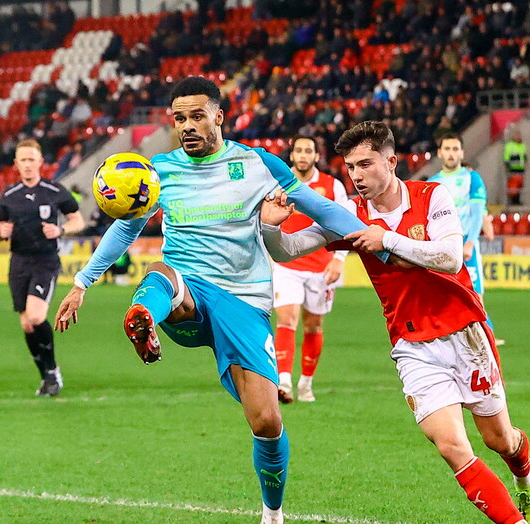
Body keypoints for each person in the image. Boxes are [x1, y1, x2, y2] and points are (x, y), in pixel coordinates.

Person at [53, 77, 381, 524]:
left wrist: (382, 240)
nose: (186, 125)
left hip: (243, 302)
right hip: (185, 292)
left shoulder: (257, 164)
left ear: (219, 116)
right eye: (179, 118)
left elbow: (323, 211)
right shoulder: (159, 171)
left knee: (266, 421)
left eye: (196, 116)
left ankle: (272, 513)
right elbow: (127, 228)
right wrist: (82, 283)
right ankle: (144, 319)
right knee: (162, 274)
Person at [260, 121, 530, 524]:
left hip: (466, 333)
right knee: (450, 446)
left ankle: (524, 475)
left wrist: (386, 239)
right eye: (349, 167)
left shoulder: (431, 195)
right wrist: (271, 225)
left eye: (365, 164)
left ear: (391, 162)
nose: (356, 175)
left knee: (501, 439)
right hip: (413, 346)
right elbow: (288, 251)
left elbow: (451, 257)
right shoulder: (351, 216)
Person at [0, 139, 85, 397]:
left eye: (32, 159)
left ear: (40, 162)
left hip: (45, 261)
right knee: (27, 325)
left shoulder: (54, 191)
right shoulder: (9, 195)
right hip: (18, 262)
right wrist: (0, 232)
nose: (28, 164)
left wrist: (61, 229)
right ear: (16, 164)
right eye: (23, 160)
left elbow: (78, 220)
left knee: (35, 316)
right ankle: (45, 376)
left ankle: (52, 370)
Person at [272, 135, 348, 404]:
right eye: (298, 151)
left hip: (321, 267)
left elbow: (344, 221)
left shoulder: (332, 186)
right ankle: (283, 383)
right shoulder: (278, 184)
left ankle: (305, 383)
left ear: (317, 156)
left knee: (313, 326)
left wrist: (339, 258)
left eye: (309, 151)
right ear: (292, 156)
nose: (303, 155)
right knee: (287, 320)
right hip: (286, 264)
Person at [428, 134, 503, 344]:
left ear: (462, 152)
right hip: (442, 248)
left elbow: (478, 212)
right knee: (442, 296)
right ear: (440, 153)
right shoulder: (433, 183)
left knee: (475, 295)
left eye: (455, 149)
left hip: (466, 248)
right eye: (447, 149)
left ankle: (485, 341)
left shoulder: (472, 179)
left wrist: (469, 242)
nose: (451, 153)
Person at [502, 129, 526, 205]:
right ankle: (512, 201)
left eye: (519, 135)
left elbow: (524, 156)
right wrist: (508, 165)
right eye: (516, 135)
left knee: (519, 186)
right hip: (512, 169)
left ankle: (517, 200)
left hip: (521, 169)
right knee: (513, 186)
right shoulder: (509, 145)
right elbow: (506, 156)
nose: (518, 137)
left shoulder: (522, 145)